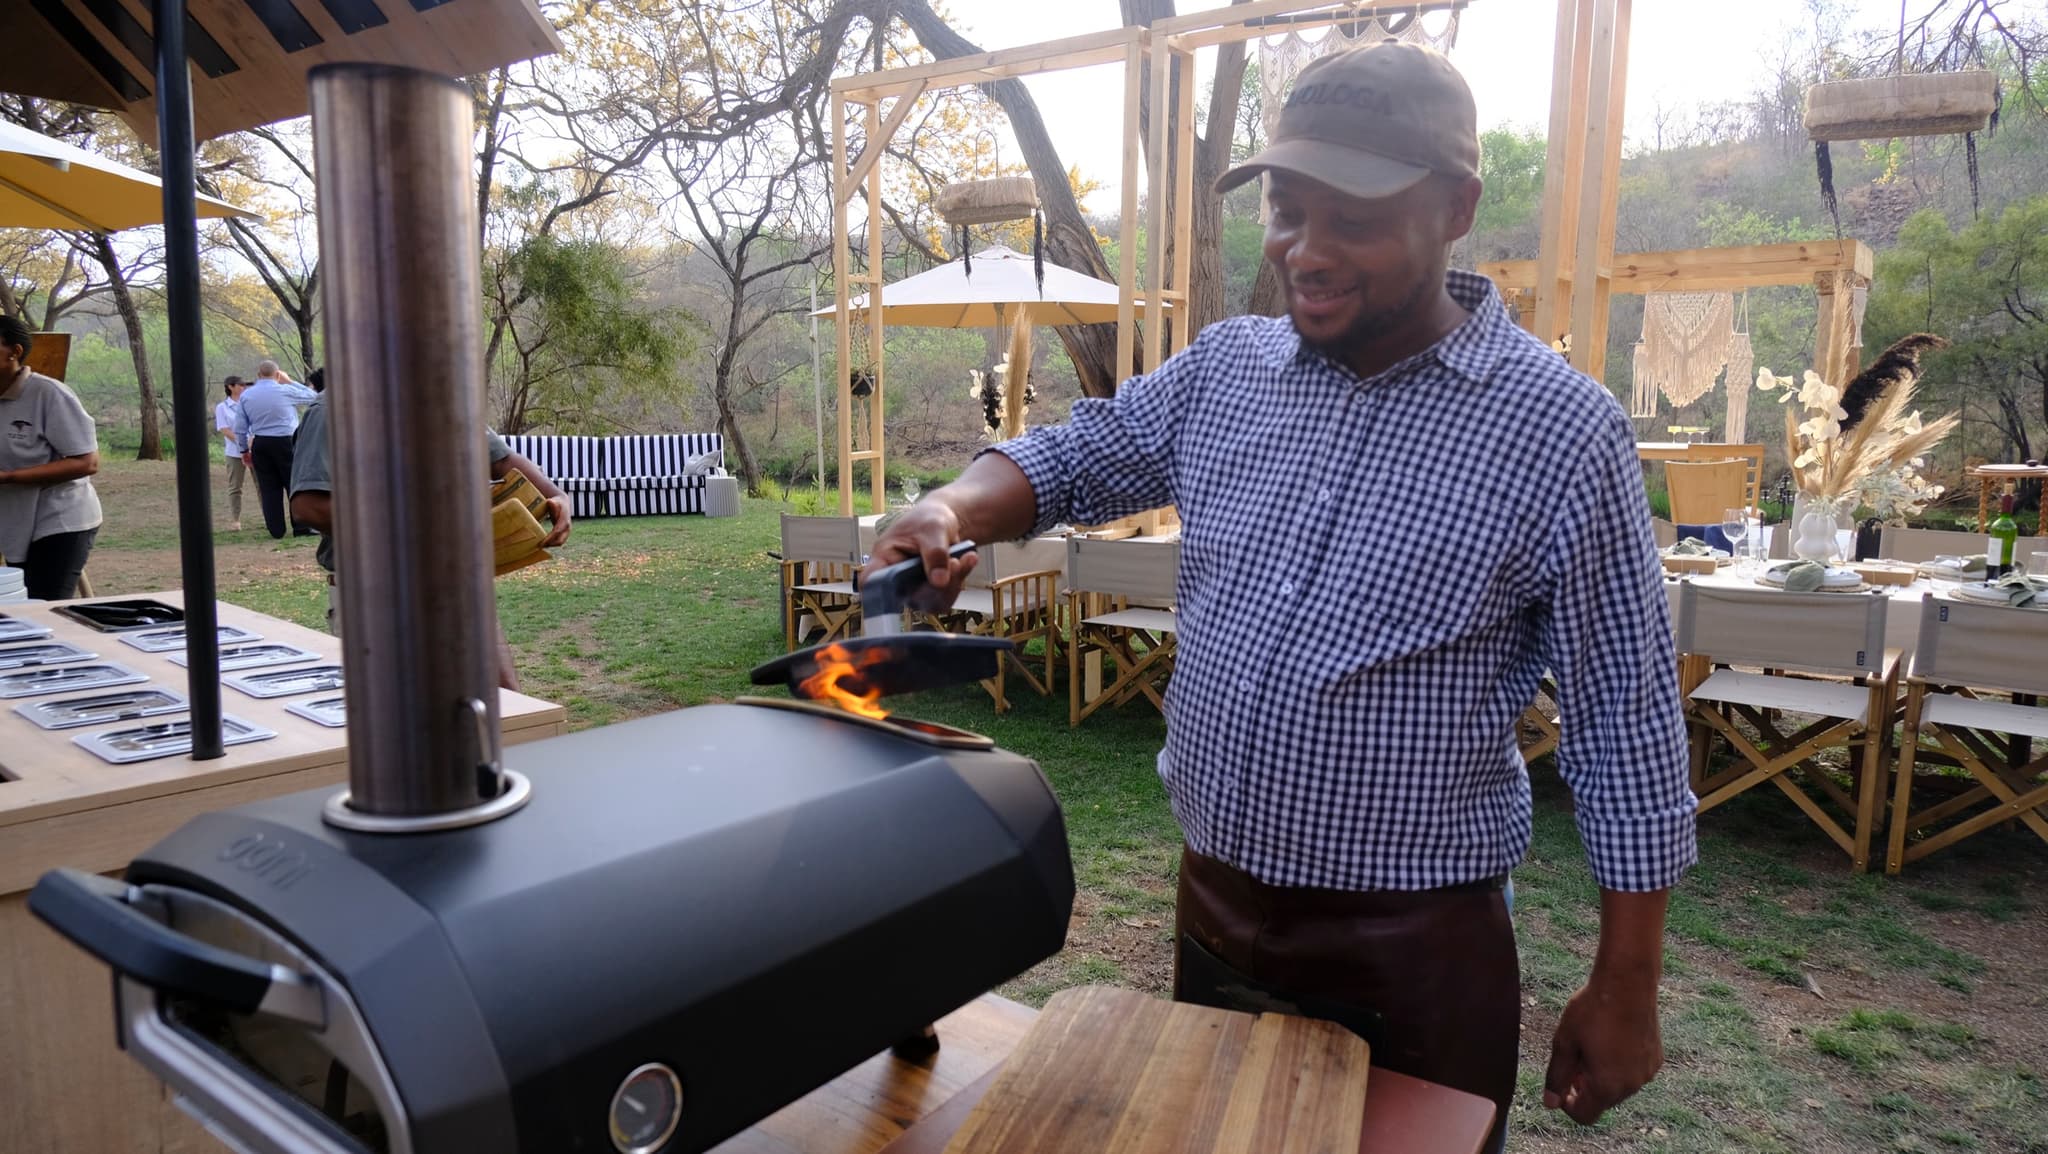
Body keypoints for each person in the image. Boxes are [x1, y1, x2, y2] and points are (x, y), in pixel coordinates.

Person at [865, 43, 1695, 1154]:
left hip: (1411, 951)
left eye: (1348, 216)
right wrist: (951, 506)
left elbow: (1625, 725)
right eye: (1286, 210)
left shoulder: (1557, 430)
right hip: (1211, 909)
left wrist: (1625, 985)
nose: (1303, 249)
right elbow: (1076, 457)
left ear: (1454, 207)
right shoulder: (1226, 371)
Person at [288, 379, 572, 690]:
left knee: (504, 708)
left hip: (459, 583)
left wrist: (557, 496)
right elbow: (308, 507)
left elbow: (501, 460)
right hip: (377, 595)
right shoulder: (332, 409)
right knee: (396, 720)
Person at [0, 316, 103, 600]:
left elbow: (87, 462)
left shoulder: (49, 393)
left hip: (59, 520)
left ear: (15, 352)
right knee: (20, 609)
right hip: (14, 521)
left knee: (45, 610)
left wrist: (9, 477)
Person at [232, 360, 319, 538]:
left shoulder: (247, 396)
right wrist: (289, 381)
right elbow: (313, 396)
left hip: (261, 442)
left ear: (258, 375)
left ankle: (276, 529)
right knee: (294, 484)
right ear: (278, 374)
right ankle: (301, 526)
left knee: (268, 487)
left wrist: (243, 450)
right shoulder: (284, 390)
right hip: (286, 441)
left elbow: (240, 427)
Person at [215, 375, 247, 531]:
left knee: (261, 485)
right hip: (234, 452)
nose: (243, 387)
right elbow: (224, 428)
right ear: (230, 387)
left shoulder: (248, 403)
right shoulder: (222, 407)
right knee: (235, 486)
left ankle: (269, 517)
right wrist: (241, 441)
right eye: (240, 385)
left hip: (255, 449)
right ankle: (236, 519)